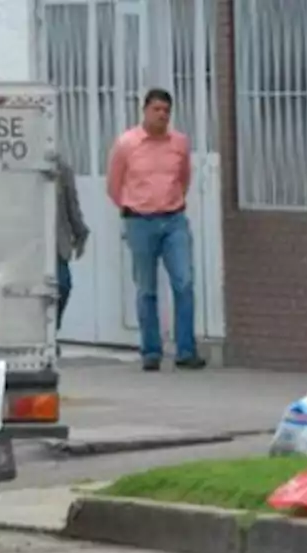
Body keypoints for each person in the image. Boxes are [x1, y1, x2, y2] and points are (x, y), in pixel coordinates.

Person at [106, 88, 206, 373]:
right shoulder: (127, 144)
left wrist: (171, 202)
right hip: (140, 221)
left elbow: (184, 178)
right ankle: (151, 351)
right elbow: (114, 185)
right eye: (156, 110)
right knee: (146, 288)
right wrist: (131, 207)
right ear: (145, 111)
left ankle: (186, 350)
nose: (161, 115)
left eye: (166, 111)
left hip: (173, 219)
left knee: (184, 282)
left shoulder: (179, 144)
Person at [54, 155, 89, 333]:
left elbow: (71, 204)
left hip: (56, 242)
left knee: (63, 285)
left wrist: (80, 232)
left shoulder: (62, 168)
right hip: (27, 243)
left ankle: (52, 330)